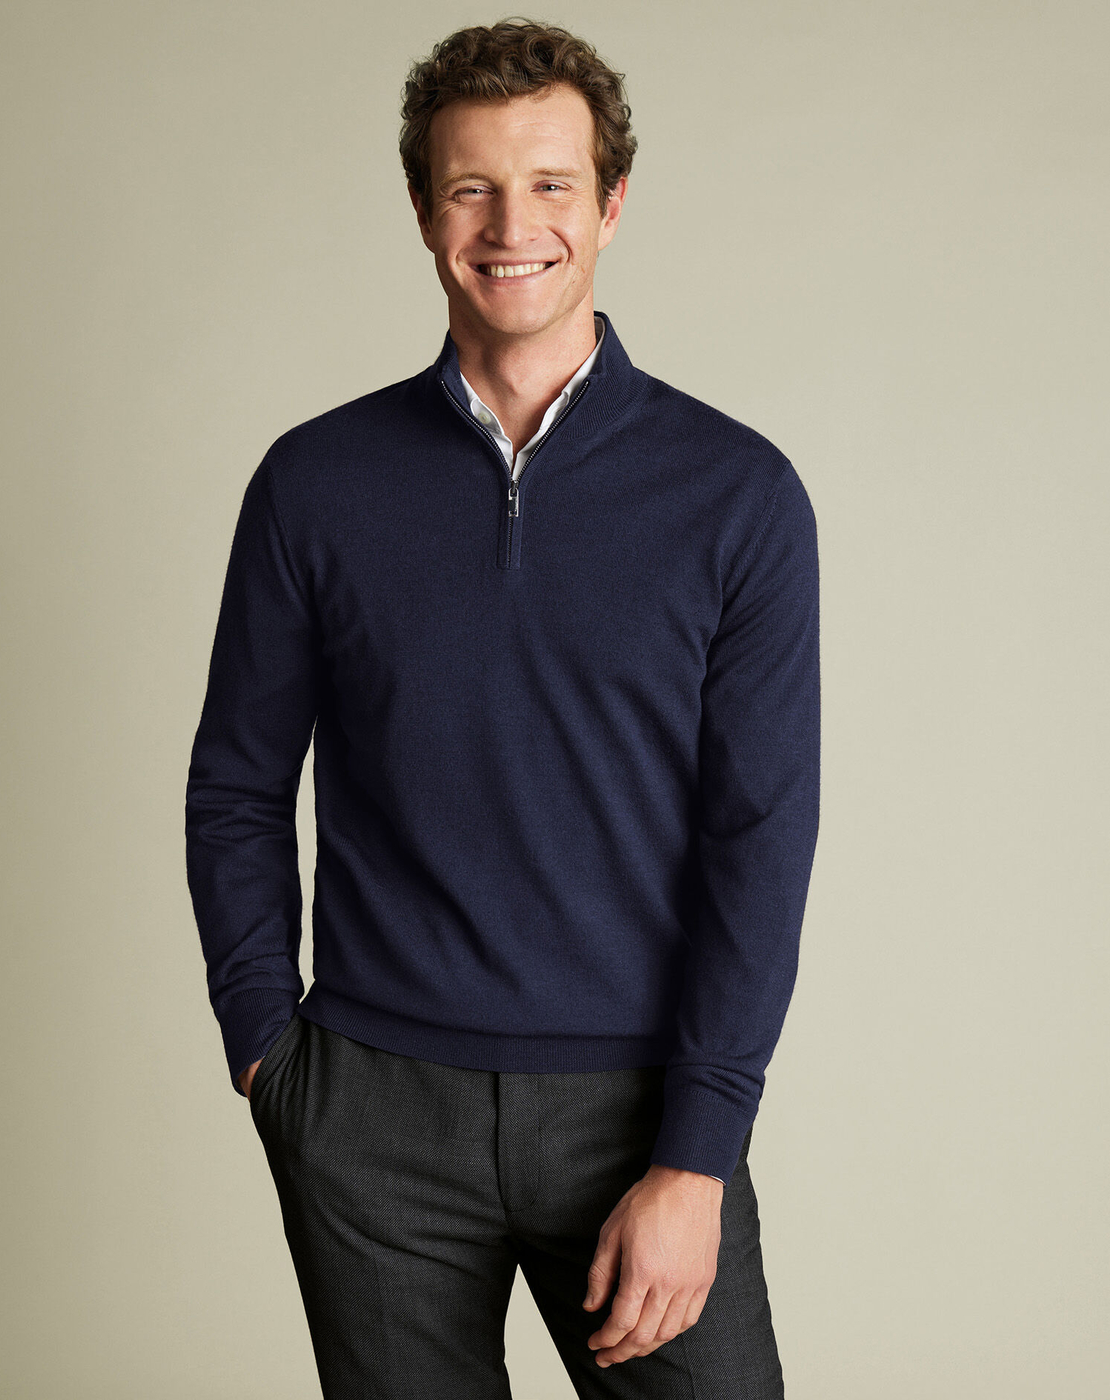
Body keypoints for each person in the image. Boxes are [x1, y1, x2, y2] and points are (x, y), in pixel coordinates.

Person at [185, 18, 819, 1399]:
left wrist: (699, 1151)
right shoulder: (314, 483)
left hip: (637, 1113)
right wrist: (266, 1051)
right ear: (425, 211)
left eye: (550, 184)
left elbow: (759, 839)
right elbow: (236, 782)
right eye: (471, 187)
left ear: (612, 203)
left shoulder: (739, 495)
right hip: (372, 1112)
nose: (511, 226)